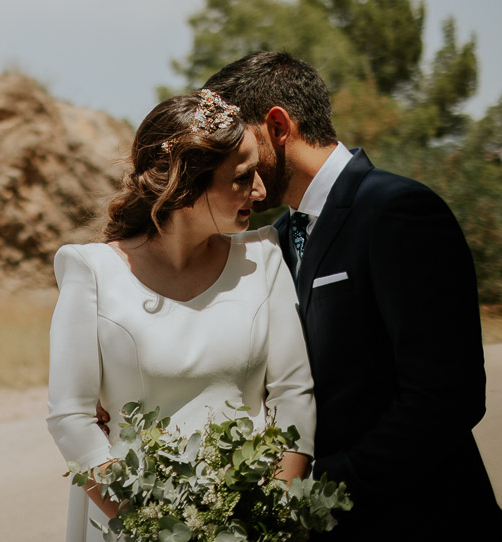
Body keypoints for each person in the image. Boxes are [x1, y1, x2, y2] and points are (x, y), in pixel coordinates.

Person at [200, 51, 502, 541]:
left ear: (278, 126)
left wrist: (316, 482)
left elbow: (446, 396)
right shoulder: (275, 240)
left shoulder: (398, 212)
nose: (230, 165)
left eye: (237, 145)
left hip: (422, 520)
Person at [46, 89, 316, 542]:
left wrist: (272, 517)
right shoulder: (92, 271)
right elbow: (71, 418)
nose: (261, 190)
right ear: (187, 186)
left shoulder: (263, 256)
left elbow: (294, 394)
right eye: (242, 177)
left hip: (251, 525)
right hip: (131, 526)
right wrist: (158, 530)